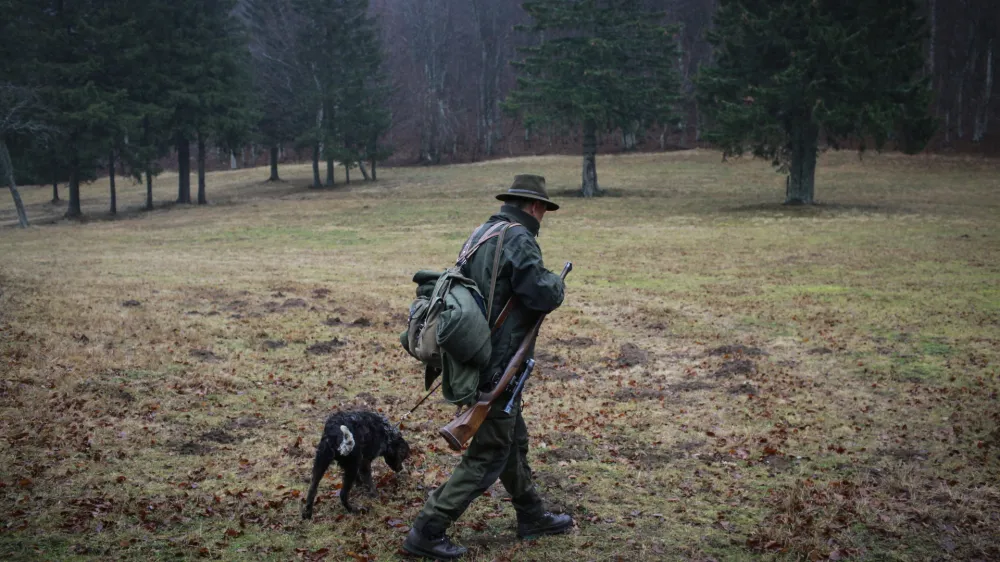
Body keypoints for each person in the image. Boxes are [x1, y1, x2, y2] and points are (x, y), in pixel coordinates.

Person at [403, 175, 574, 560]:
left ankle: (531, 516)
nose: (543, 216)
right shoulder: (518, 238)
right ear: (535, 207)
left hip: (478, 355)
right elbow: (541, 293)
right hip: (497, 362)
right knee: (488, 454)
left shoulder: (484, 231)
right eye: (543, 210)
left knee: (510, 440)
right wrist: (557, 285)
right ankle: (427, 530)